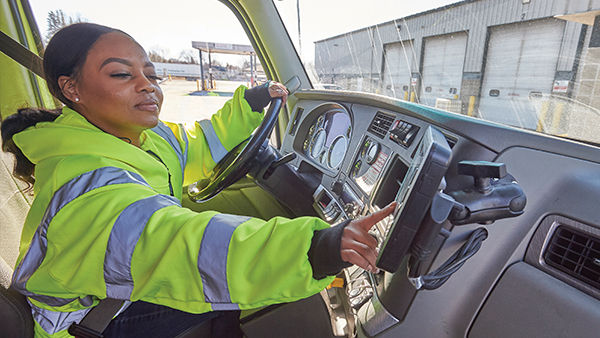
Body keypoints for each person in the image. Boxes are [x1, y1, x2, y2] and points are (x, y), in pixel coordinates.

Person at [1, 23, 396, 338]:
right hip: (84, 320)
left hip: (109, 289)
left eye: (151, 74)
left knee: (232, 291)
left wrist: (247, 106)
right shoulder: (85, 183)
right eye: (122, 74)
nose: (147, 86)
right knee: (221, 286)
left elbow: (194, 147)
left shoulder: (138, 137)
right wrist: (312, 249)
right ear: (72, 89)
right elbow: (183, 245)